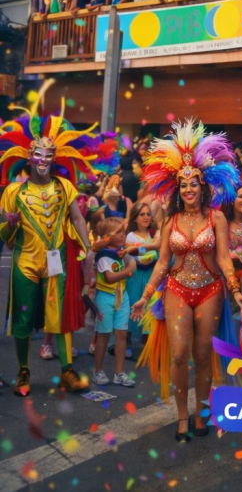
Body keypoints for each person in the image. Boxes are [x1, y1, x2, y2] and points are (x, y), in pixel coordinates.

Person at [130, 121, 242, 442]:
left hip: (210, 291)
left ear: (202, 185)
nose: (189, 190)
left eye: (193, 183)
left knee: (203, 355)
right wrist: (146, 295)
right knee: (180, 354)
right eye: (183, 186)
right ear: (177, 190)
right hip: (177, 290)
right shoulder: (170, 220)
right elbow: (162, 262)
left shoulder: (216, 217)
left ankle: (201, 413)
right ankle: (183, 416)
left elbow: (224, 258)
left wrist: (235, 290)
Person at [0, 97, 110, 396]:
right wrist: (10, 223)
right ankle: (23, 371)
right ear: (29, 156)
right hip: (25, 262)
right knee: (23, 318)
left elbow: (77, 218)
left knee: (59, 317)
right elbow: (5, 235)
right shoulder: (14, 191)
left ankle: (67, 371)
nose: (44, 160)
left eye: (49, 155)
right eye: (39, 154)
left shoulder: (64, 186)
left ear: (55, 157)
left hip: (56, 260)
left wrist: (88, 248)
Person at [92, 216, 137, 388]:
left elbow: (136, 254)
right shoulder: (103, 255)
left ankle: (119, 373)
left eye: (123, 232)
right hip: (105, 297)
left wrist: (131, 257)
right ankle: (97, 371)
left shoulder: (121, 252)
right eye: (118, 233)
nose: (122, 235)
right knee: (103, 335)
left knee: (121, 335)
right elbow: (109, 278)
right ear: (107, 236)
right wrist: (129, 270)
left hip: (122, 297)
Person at [124, 201, 160, 344]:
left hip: (150, 275)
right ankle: (126, 343)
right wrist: (150, 248)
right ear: (135, 218)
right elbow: (132, 253)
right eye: (142, 214)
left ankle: (147, 346)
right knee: (132, 304)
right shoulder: (130, 236)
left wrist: (145, 249)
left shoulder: (154, 234)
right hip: (135, 275)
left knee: (150, 307)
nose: (146, 217)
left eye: (148, 214)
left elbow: (155, 250)